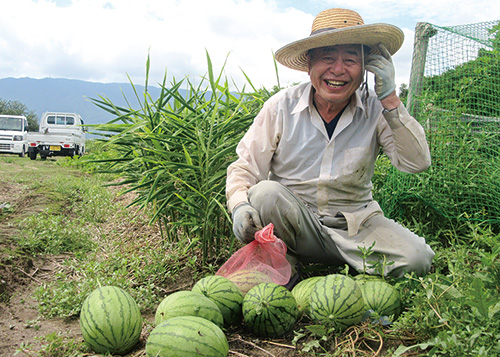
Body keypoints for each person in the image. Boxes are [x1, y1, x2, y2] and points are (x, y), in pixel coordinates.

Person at [225, 8, 435, 282]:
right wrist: (240, 205)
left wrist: (391, 100)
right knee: (265, 193)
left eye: (350, 59)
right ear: (309, 64)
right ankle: (287, 260)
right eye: (327, 58)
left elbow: (416, 164)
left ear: (365, 67)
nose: (338, 70)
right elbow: (244, 167)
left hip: (356, 228)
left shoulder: (376, 109)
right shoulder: (281, 107)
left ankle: (335, 265)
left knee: (418, 259)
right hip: (297, 226)